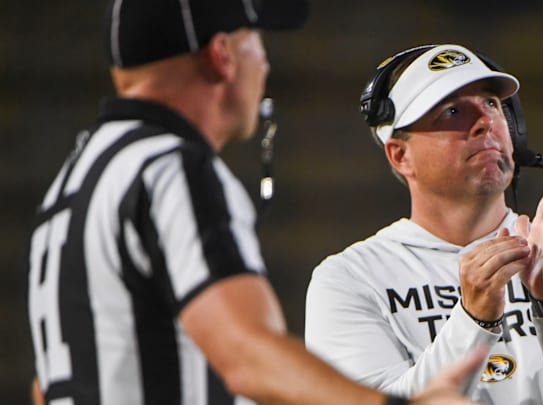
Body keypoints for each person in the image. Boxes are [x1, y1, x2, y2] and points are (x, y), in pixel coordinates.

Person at [25, 3, 489, 404]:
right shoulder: (169, 168)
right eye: (256, 42)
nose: (264, 65)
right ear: (222, 55)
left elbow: (46, 387)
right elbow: (246, 354)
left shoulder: (76, 179)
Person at [305, 44, 543, 404]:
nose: (486, 122)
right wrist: (473, 320)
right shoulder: (349, 280)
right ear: (401, 155)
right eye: (451, 111)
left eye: (491, 104)